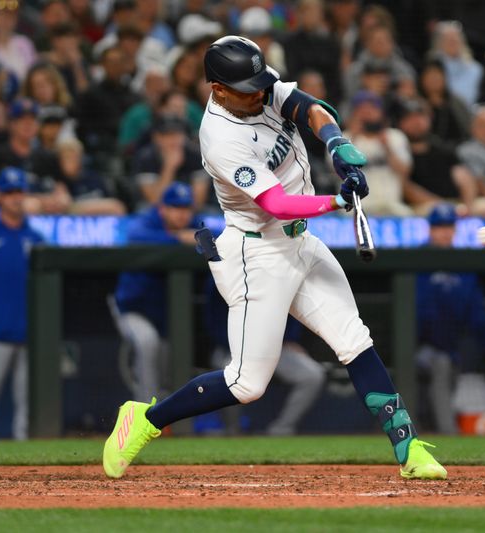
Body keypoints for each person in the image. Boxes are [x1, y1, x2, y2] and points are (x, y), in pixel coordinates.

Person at [102, 35, 446, 481]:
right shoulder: (219, 137)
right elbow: (277, 203)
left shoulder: (257, 89)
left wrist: (336, 142)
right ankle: (145, 421)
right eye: (248, 88)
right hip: (256, 253)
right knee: (247, 384)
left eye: (261, 83)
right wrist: (337, 202)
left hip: (300, 243)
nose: (260, 93)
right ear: (217, 89)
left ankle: (409, 449)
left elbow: (310, 107)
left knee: (353, 341)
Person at [111, 182, 201, 402]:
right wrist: (178, 239)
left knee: (169, 362)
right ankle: (146, 415)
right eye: (175, 208)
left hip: (167, 316)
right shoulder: (147, 223)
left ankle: (164, 415)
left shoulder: (194, 224)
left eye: (185, 208)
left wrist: (193, 236)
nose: (181, 214)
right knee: (147, 342)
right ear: (163, 209)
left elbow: (221, 233)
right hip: (133, 308)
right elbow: (134, 236)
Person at [416, 204, 485, 434]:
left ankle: (435, 427)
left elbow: (477, 317)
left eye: (448, 226)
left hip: (451, 349)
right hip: (415, 347)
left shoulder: (463, 264)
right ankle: (448, 434)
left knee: (447, 365)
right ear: (430, 229)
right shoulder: (416, 259)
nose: (444, 232)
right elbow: (418, 313)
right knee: (441, 363)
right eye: (438, 227)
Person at [205, 280, 326, 436]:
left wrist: (290, 340)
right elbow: (214, 321)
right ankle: (232, 430)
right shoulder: (222, 276)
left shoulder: (277, 273)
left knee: (313, 375)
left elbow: (292, 311)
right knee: (225, 371)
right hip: (234, 347)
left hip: (274, 347)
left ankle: (281, 429)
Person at [0, 167, 44, 439]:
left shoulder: (34, 238)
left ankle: (24, 472)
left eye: (19, 191)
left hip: (28, 334)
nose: (15, 198)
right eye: (9, 192)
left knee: (28, 406)